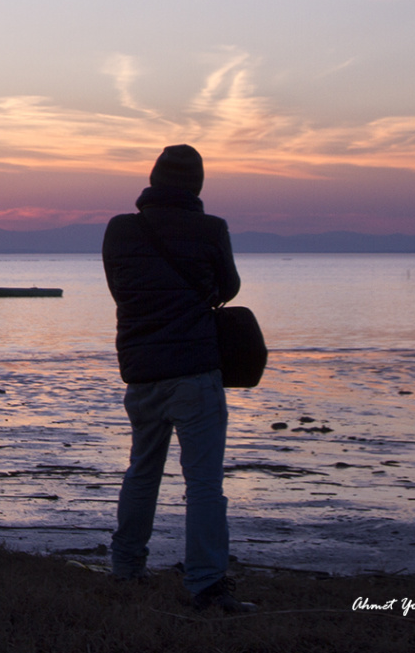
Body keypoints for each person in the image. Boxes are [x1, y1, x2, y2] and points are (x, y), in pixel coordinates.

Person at [102, 144, 255, 613]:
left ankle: (126, 566)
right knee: (204, 482)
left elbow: (118, 287)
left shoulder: (120, 229)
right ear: (198, 184)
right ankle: (207, 584)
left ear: (152, 179)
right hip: (194, 371)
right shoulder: (211, 229)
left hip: (142, 371)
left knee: (142, 471)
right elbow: (228, 288)